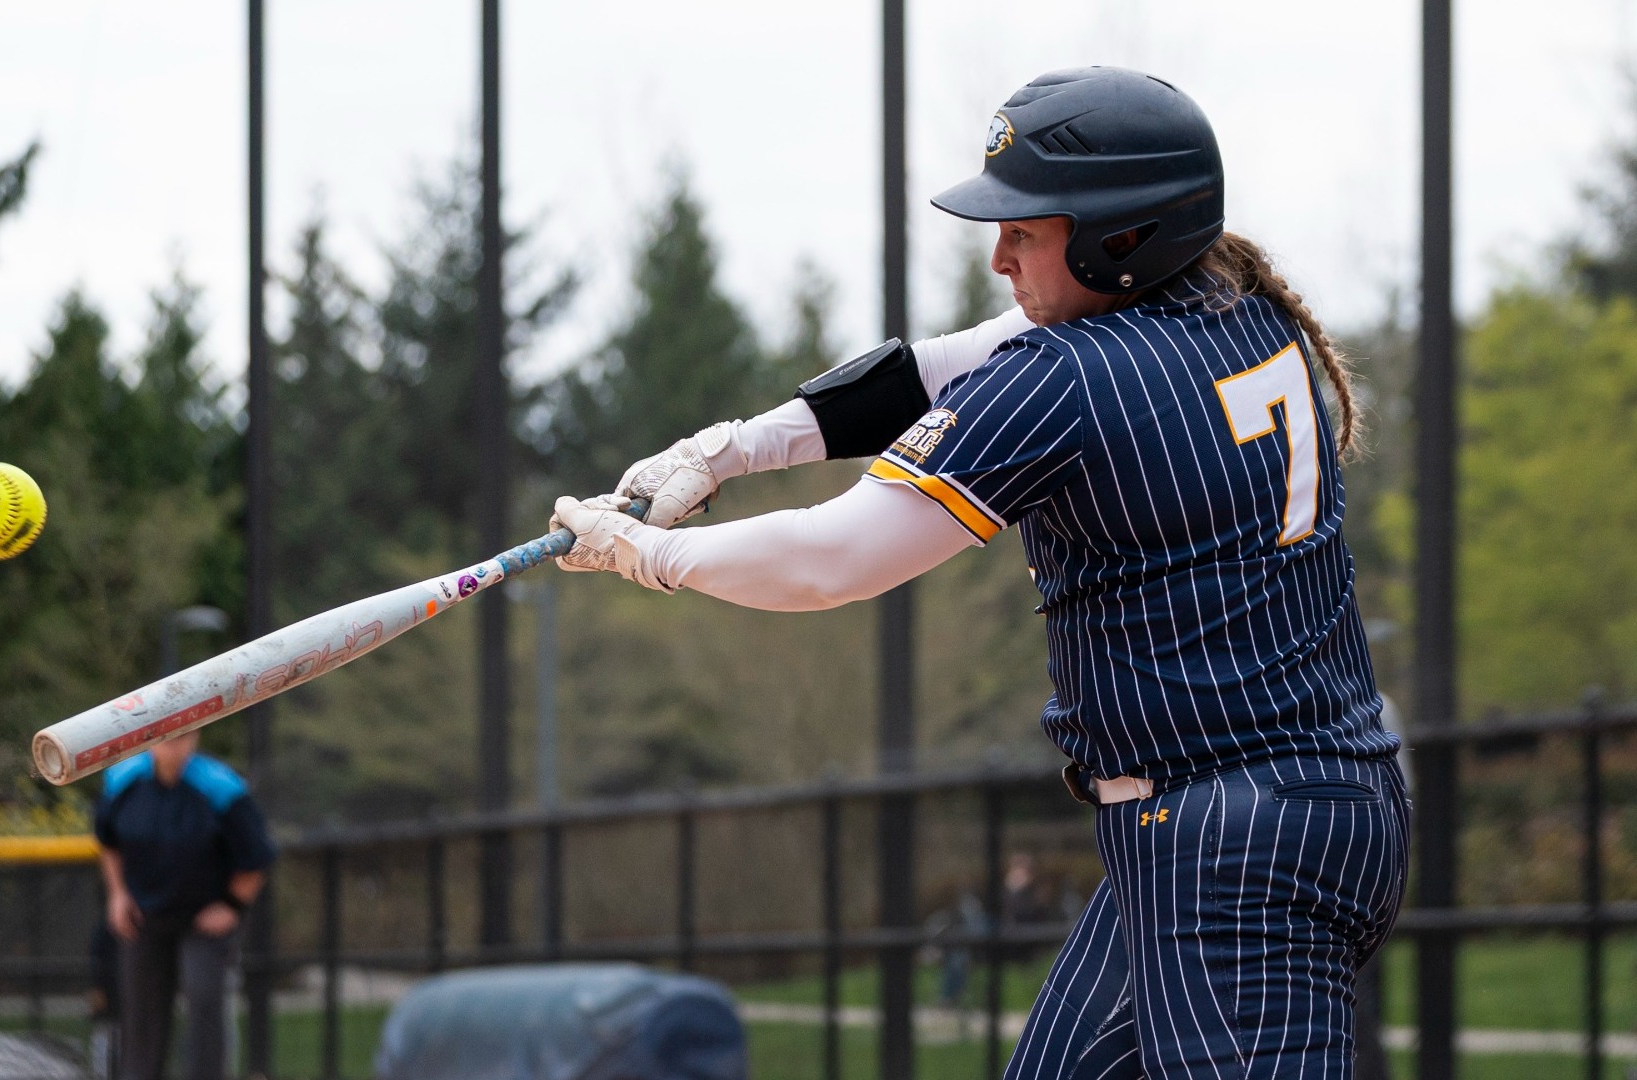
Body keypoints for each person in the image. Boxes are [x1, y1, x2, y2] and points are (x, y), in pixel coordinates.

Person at [549, 66, 1408, 1077]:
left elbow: (833, 560)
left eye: (1025, 229)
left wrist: (646, 555)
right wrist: (729, 450)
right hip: (1266, 814)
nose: (999, 255)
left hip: (1231, 838)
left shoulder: (1073, 375)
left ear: (1121, 238)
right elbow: (927, 371)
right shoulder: (1228, 305)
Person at [95, 732, 274, 1080]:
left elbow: (256, 856)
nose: (171, 744)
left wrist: (231, 905)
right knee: (142, 1010)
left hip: (201, 917)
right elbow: (108, 840)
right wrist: (117, 894)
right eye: (161, 735)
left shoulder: (220, 787)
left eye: (180, 735)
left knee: (203, 995)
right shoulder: (124, 780)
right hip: (144, 914)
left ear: (195, 737)